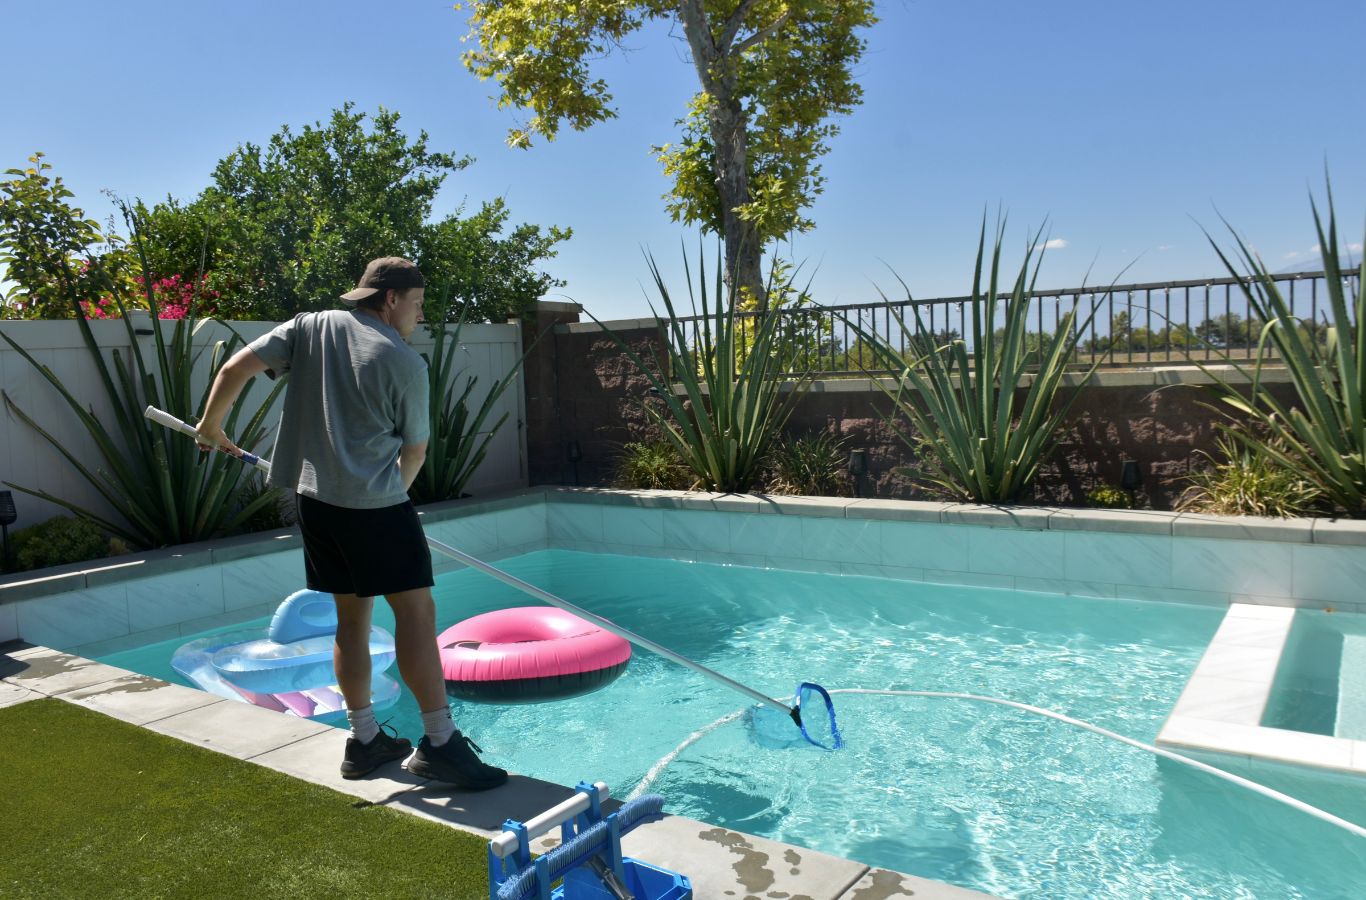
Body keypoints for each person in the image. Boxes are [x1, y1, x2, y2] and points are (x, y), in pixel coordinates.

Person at [196, 256, 507, 790]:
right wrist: (396, 501)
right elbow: (415, 449)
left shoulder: (308, 326)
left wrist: (209, 425)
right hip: (375, 508)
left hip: (316, 504)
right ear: (390, 299)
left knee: (351, 619)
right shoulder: (406, 364)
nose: (419, 316)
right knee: (415, 614)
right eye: (417, 304)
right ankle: (439, 744)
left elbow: (233, 370)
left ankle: (363, 740)